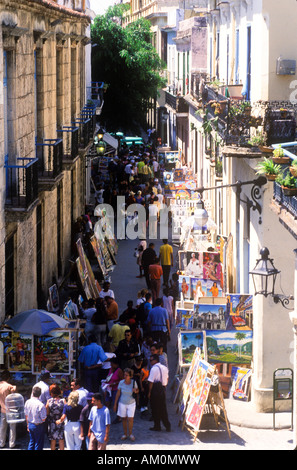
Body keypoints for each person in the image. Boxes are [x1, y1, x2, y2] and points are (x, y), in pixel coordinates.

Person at [113, 368, 138, 441]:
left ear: (130, 376)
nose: (124, 376)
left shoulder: (133, 382)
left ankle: (130, 434)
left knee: (130, 419)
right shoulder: (121, 382)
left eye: (126, 375)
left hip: (131, 403)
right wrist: (115, 404)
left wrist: (136, 391)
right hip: (122, 403)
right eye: (124, 375)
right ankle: (125, 434)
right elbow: (118, 394)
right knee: (124, 418)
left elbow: (137, 390)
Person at [148, 354, 171, 433]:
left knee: (155, 409)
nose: (150, 362)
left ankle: (157, 426)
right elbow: (167, 379)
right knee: (163, 408)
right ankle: (167, 425)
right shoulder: (165, 368)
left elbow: (151, 382)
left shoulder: (153, 369)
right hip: (162, 388)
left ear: (155, 360)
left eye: (151, 360)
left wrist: (149, 392)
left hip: (155, 389)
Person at [24, 386, 47, 450]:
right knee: (38, 443)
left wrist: (27, 424)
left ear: (32, 392)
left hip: (30, 423)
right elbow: (43, 418)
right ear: (40, 394)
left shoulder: (27, 402)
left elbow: (26, 415)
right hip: (38, 425)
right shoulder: (41, 405)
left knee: (31, 442)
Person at [0, 370, 17, 449]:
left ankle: (2, 443)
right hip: (11, 410)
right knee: (12, 427)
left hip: (3, 409)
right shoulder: (10, 386)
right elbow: (15, 396)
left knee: (2, 427)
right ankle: (12, 444)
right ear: (8, 378)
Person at [46, 384, 65, 451]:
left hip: (52, 422)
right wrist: (60, 420)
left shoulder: (49, 401)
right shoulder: (63, 401)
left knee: (53, 440)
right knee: (61, 439)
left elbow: (47, 412)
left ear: (51, 392)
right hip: (61, 421)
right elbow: (65, 412)